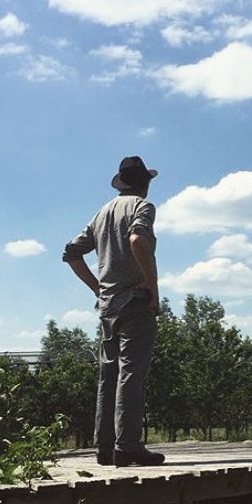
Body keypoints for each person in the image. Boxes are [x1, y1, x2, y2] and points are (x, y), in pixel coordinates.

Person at [62, 156, 164, 466]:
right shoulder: (142, 206)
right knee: (131, 373)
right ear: (145, 183)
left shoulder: (103, 212)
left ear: (121, 183)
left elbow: (71, 253)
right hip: (134, 301)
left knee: (109, 375)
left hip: (108, 307)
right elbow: (137, 239)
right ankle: (128, 446)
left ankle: (105, 448)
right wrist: (152, 287)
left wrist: (97, 288)